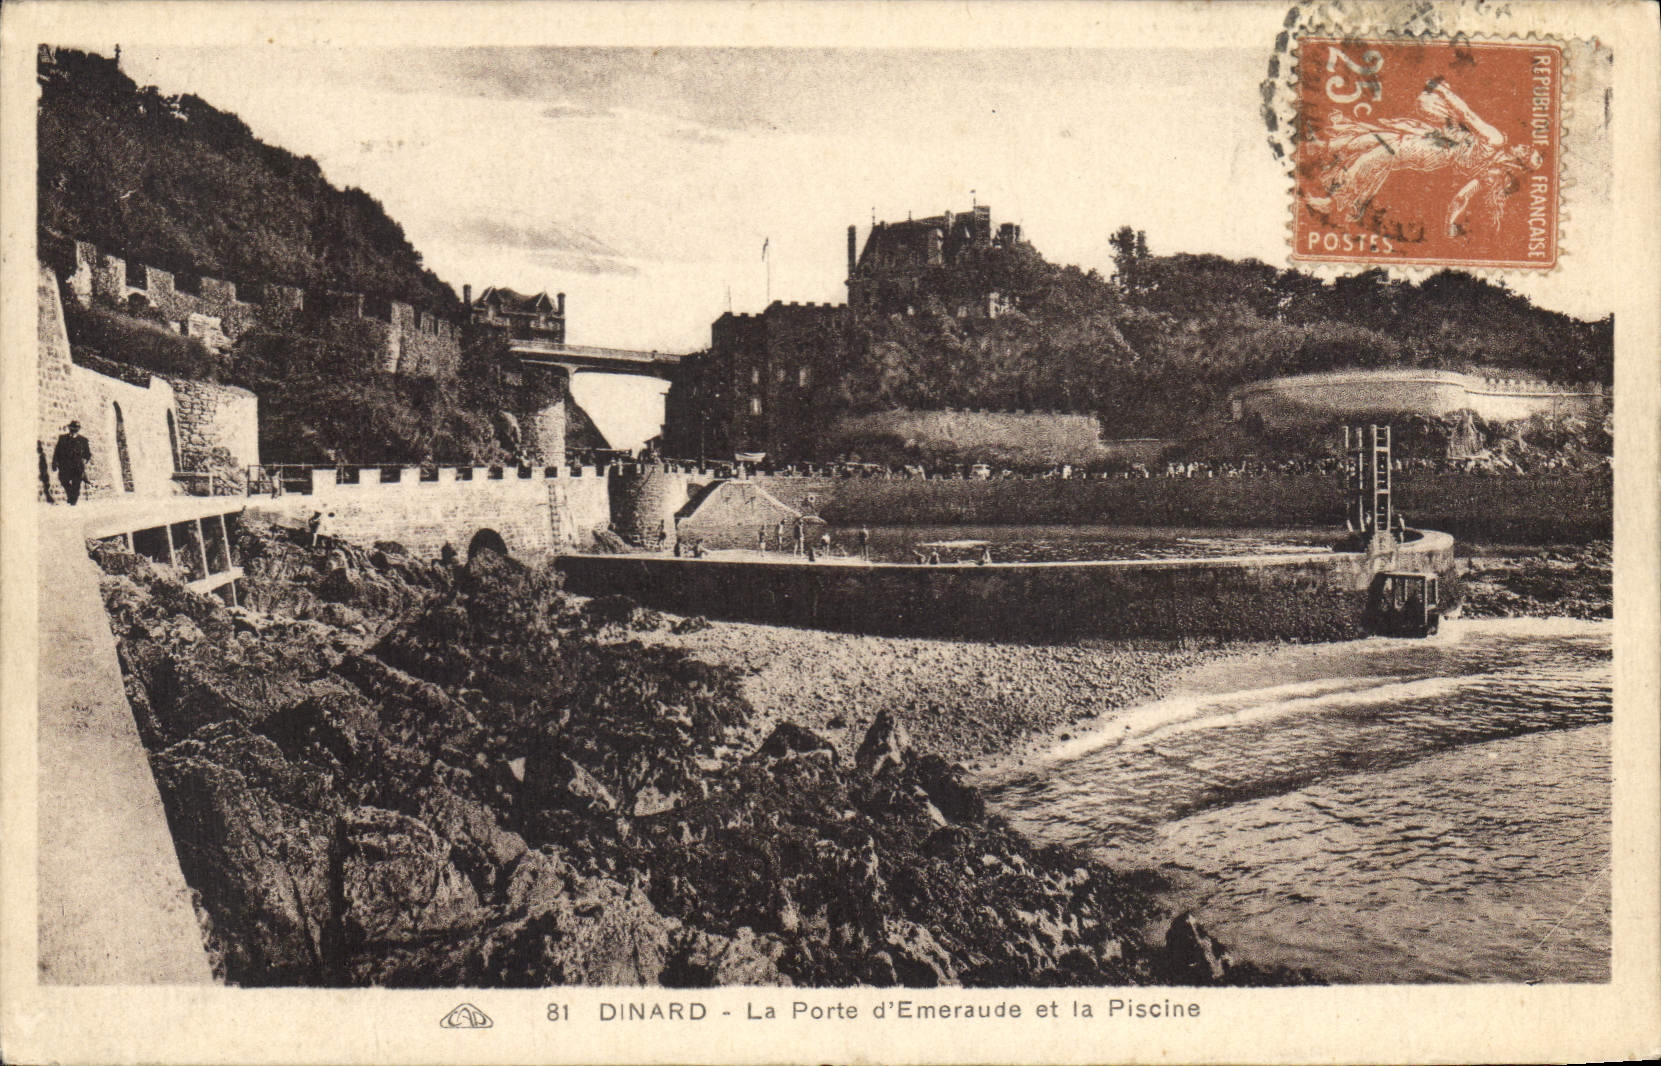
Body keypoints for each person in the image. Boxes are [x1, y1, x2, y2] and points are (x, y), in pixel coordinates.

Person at [51, 421, 92, 506]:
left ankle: (73, 501)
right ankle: (71, 495)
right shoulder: (62, 438)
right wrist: (54, 463)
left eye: (76, 429)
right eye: (72, 428)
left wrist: (84, 461)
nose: (73, 430)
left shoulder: (83, 440)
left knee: (76, 484)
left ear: (78, 429)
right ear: (69, 428)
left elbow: (87, 454)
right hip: (65, 466)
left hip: (77, 466)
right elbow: (57, 452)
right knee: (63, 480)